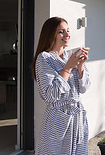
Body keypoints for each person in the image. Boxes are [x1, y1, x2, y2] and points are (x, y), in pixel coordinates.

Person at [31, 17, 90, 155]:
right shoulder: (44, 58)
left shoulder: (71, 55)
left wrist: (80, 66)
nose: (67, 34)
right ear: (51, 34)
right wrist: (68, 68)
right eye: (61, 32)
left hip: (77, 118)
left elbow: (84, 88)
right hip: (57, 120)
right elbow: (50, 96)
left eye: (68, 31)